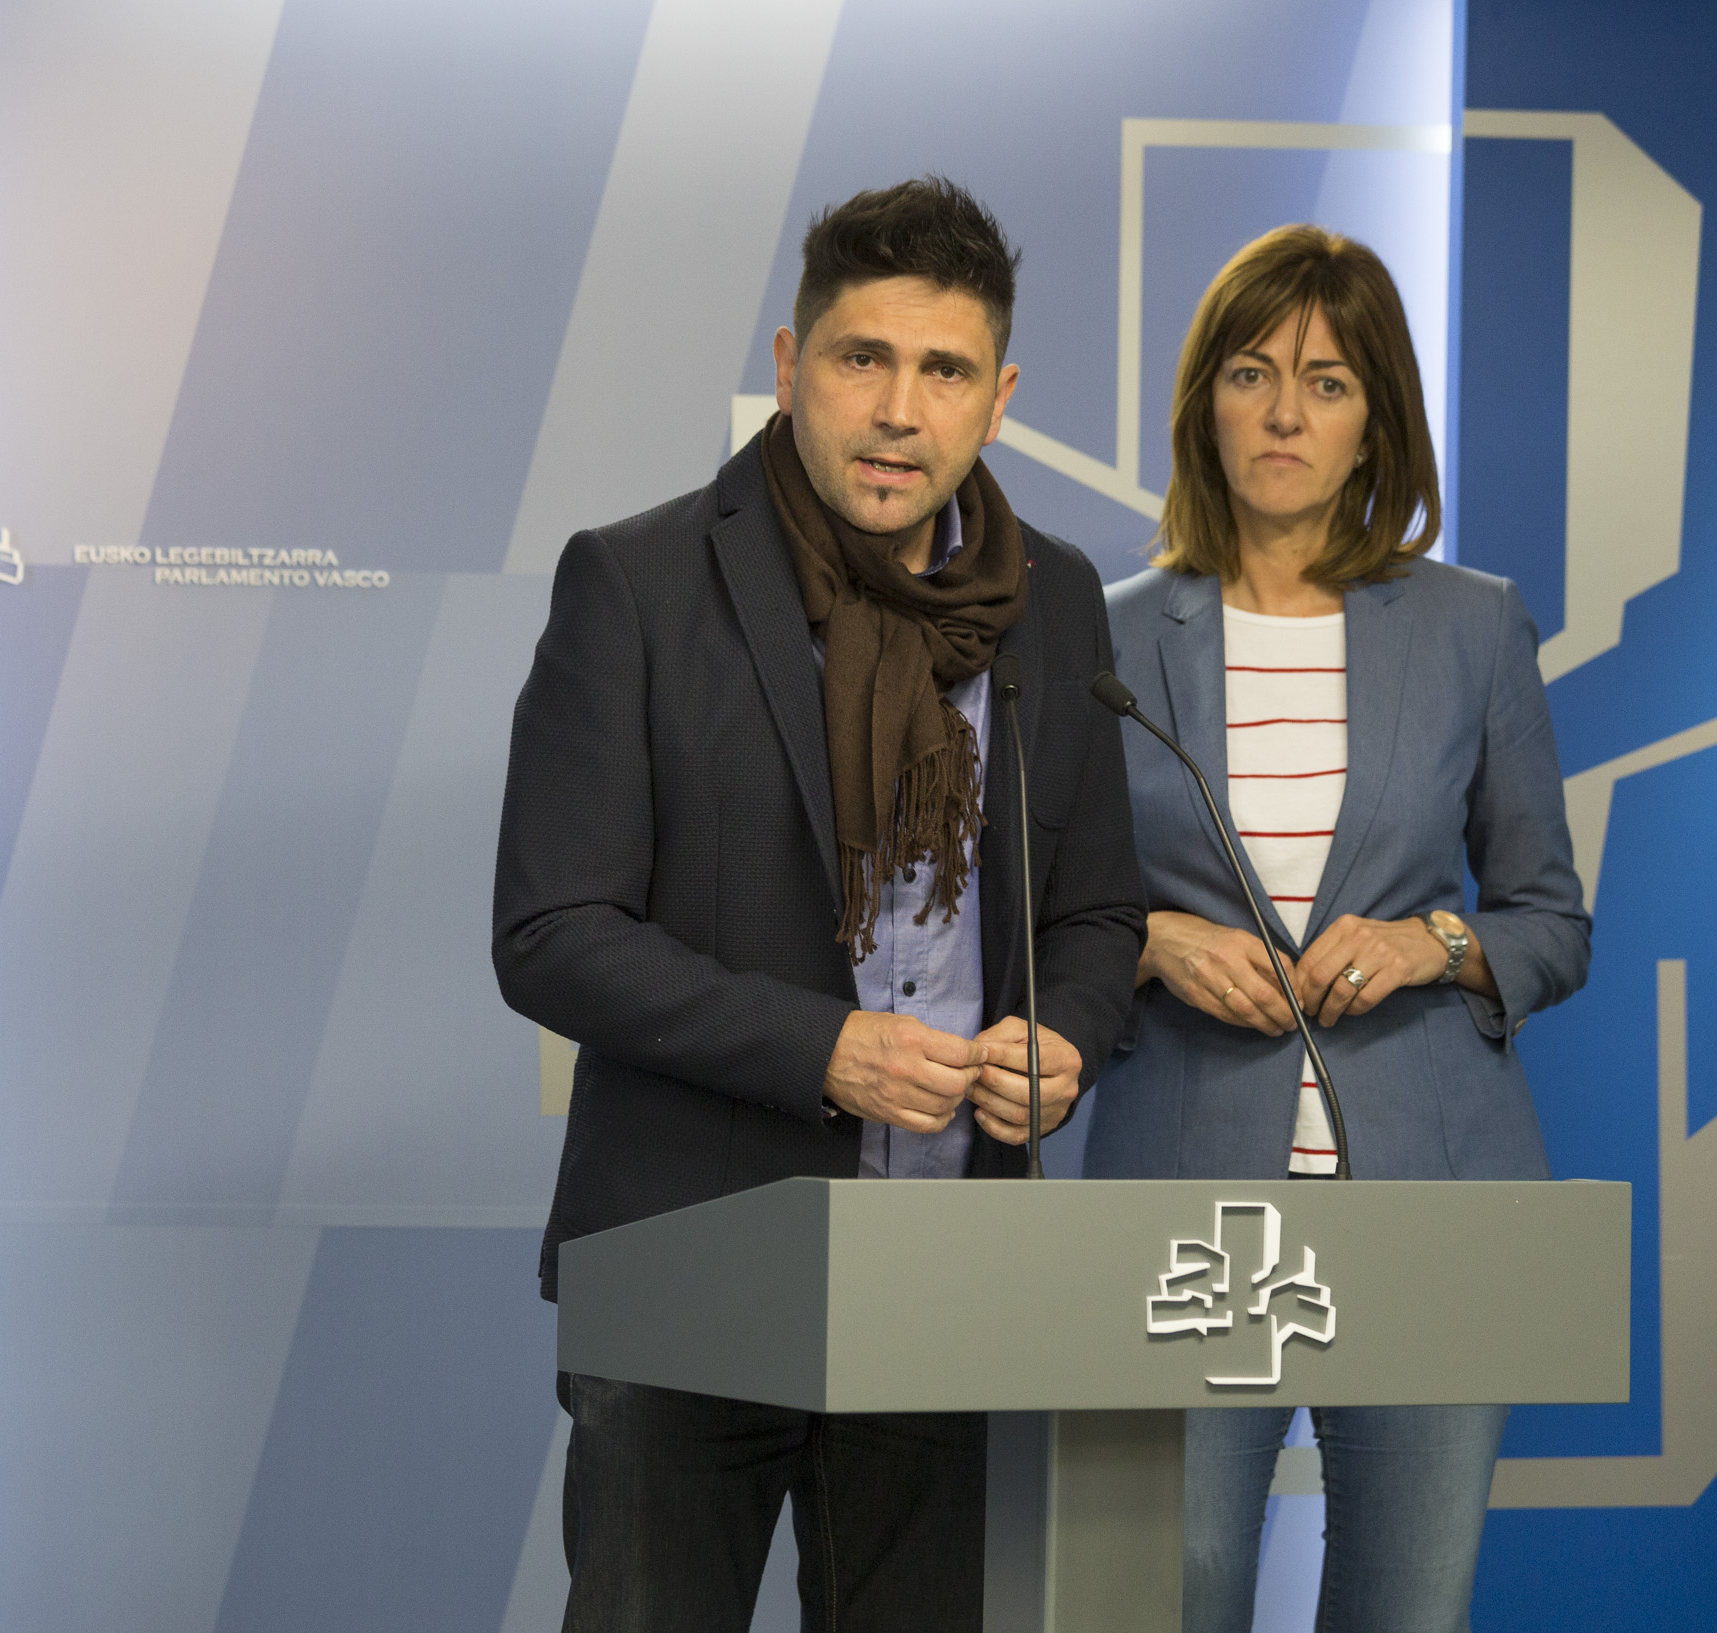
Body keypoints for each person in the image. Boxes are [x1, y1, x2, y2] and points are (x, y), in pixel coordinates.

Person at [492, 178, 1144, 1633]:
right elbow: (553, 931)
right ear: (791, 367)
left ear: (998, 401)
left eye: (946, 370)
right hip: (690, 1261)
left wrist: (1064, 1037)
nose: (900, 410)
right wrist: (824, 1049)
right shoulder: (640, 581)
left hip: (947, 1271)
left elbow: (1099, 912)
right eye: (864, 359)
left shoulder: (1054, 602)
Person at [1086, 224, 1592, 1630]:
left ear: (1378, 417)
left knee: (1407, 1609)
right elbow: (1045, 915)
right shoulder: (1098, 635)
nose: (1284, 414)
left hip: (1431, 1201)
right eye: (1251, 374)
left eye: (1326, 382)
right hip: (1188, 1206)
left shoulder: (1474, 627)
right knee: (1168, 1591)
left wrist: (1437, 945)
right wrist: (1149, 942)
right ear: (1205, 401)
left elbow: (1549, 920)